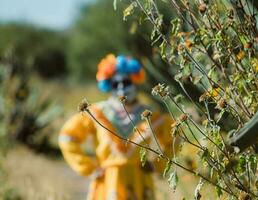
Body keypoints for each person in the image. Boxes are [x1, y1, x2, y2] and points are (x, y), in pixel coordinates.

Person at [58, 54, 174, 200]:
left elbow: (175, 139)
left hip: (140, 182)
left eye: (126, 82)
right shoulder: (96, 113)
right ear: (108, 85)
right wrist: (89, 167)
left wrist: (158, 165)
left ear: (135, 82)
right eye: (115, 84)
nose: (121, 88)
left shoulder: (151, 115)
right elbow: (67, 137)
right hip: (108, 182)